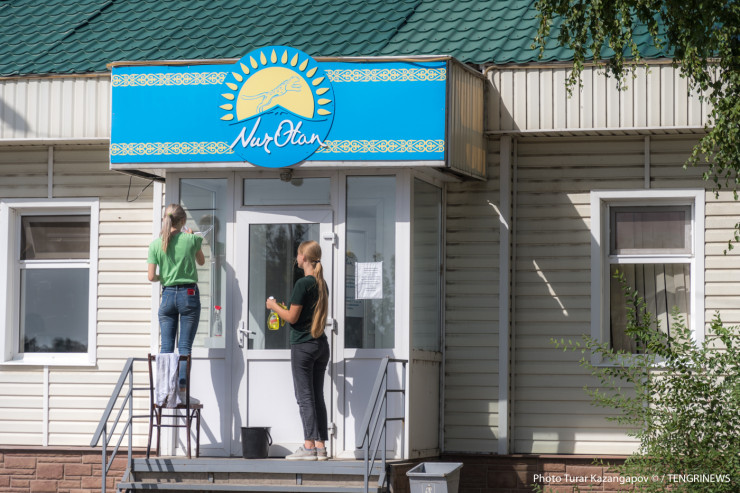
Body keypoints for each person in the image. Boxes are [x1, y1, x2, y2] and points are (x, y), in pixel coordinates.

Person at [266, 240, 329, 461]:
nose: (296, 257)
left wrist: (274, 307)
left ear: (304, 257)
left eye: (298, 254)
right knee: (317, 396)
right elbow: (303, 314)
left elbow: (292, 318)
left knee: (305, 397)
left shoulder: (303, 283)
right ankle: (320, 446)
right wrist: (285, 309)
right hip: (321, 345)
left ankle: (309, 447)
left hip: (303, 345)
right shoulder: (321, 283)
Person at [147, 204, 205, 393]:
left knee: (166, 347)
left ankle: (165, 390)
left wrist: (164, 277)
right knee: (184, 346)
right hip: (188, 294)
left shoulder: (155, 244)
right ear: (183, 221)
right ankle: (182, 389)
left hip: (167, 295)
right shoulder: (191, 239)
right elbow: (201, 261)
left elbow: (151, 276)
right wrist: (192, 237)